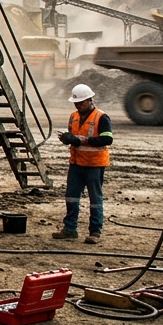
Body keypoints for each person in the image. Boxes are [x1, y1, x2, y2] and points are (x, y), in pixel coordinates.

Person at [54, 84, 112, 244]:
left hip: (94, 164)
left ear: (90, 100)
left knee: (95, 199)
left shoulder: (102, 117)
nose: (78, 105)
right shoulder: (73, 116)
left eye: (80, 102)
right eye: (76, 103)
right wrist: (67, 139)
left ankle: (95, 232)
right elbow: (73, 136)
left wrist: (81, 140)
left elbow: (107, 139)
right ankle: (70, 229)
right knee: (71, 197)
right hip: (76, 163)